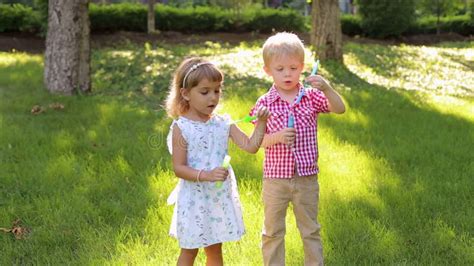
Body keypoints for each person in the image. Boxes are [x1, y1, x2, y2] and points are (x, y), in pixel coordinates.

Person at [249, 32, 346, 266]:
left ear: (302, 67)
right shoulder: (264, 103)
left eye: (293, 68)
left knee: (310, 230)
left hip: (306, 178)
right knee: (272, 231)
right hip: (275, 179)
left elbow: (340, 108)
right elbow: (257, 141)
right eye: (280, 69)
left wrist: (328, 88)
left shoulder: (311, 97)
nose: (287, 74)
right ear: (268, 70)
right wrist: (278, 137)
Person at [165, 57, 270, 266]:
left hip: (217, 198)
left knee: (215, 250)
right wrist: (207, 175)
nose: (213, 97)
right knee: (189, 250)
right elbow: (179, 168)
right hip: (194, 199)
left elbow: (250, 146)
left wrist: (261, 124)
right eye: (204, 92)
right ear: (186, 94)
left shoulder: (223, 123)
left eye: (217, 90)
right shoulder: (182, 127)